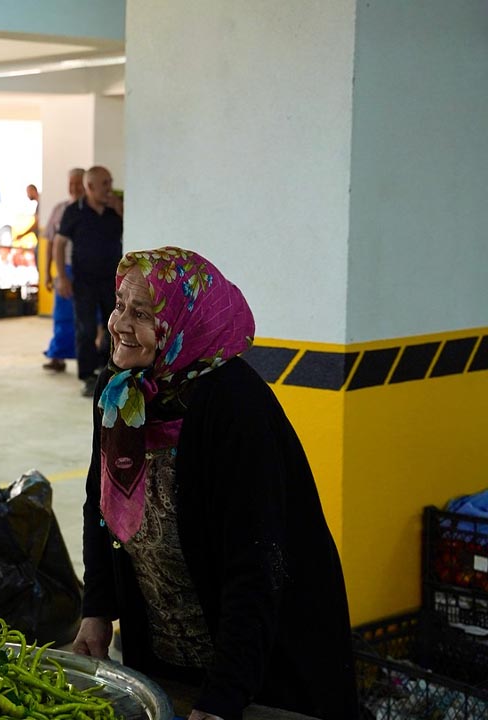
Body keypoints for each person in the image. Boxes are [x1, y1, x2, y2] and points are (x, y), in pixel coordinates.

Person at [72, 247, 357, 720]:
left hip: (263, 662)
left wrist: (224, 697)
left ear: (186, 323)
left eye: (141, 313)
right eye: (120, 304)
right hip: (165, 647)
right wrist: (97, 609)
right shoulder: (122, 389)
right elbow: (97, 501)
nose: (120, 323)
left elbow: (256, 564)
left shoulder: (235, 408)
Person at [54, 166, 123, 397]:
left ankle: (109, 369)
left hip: (113, 280)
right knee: (85, 328)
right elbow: (59, 244)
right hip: (83, 281)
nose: (109, 188)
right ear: (90, 187)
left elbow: (135, 230)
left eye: (110, 182)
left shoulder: (116, 208)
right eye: (104, 184)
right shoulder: (74, 211)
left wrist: (121, 211)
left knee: (114, 326)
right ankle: (88, 376)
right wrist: (62, 277)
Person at [42, 168, 86, 372]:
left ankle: (89, 359)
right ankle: (57, 355)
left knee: (91, 318)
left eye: (79, 183)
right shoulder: (60, 209)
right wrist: (47, 274)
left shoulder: (92, 209)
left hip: (88, 270)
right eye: (72, 184)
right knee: (62, 315)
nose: (75, 188)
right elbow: (51, 244)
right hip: (65, 269)